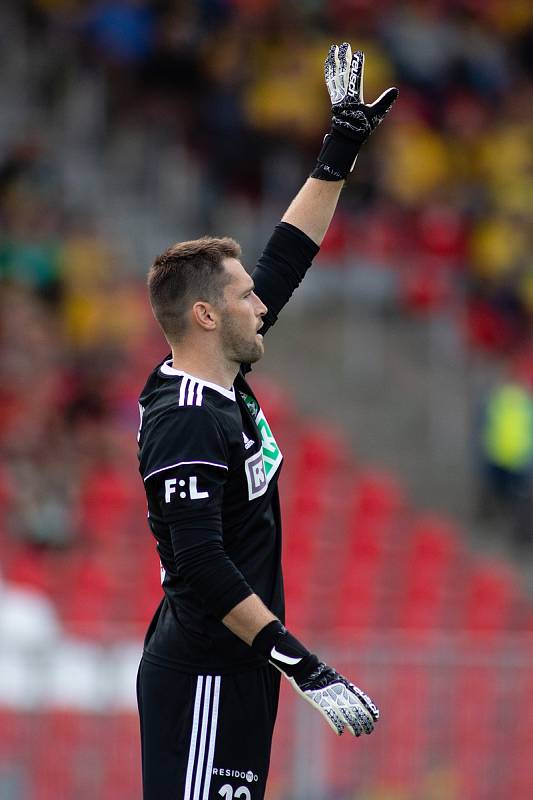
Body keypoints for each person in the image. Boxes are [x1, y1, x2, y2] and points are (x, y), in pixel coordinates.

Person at [136, 44, 398, 800]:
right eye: (245, 297)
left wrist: (339, 147)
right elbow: (201, 567)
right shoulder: (186, 420)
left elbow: (287, 257)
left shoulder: (222, 372)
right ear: (206, 314)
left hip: (241, 669)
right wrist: (304, 666)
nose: (263, 304)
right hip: (204, 676)